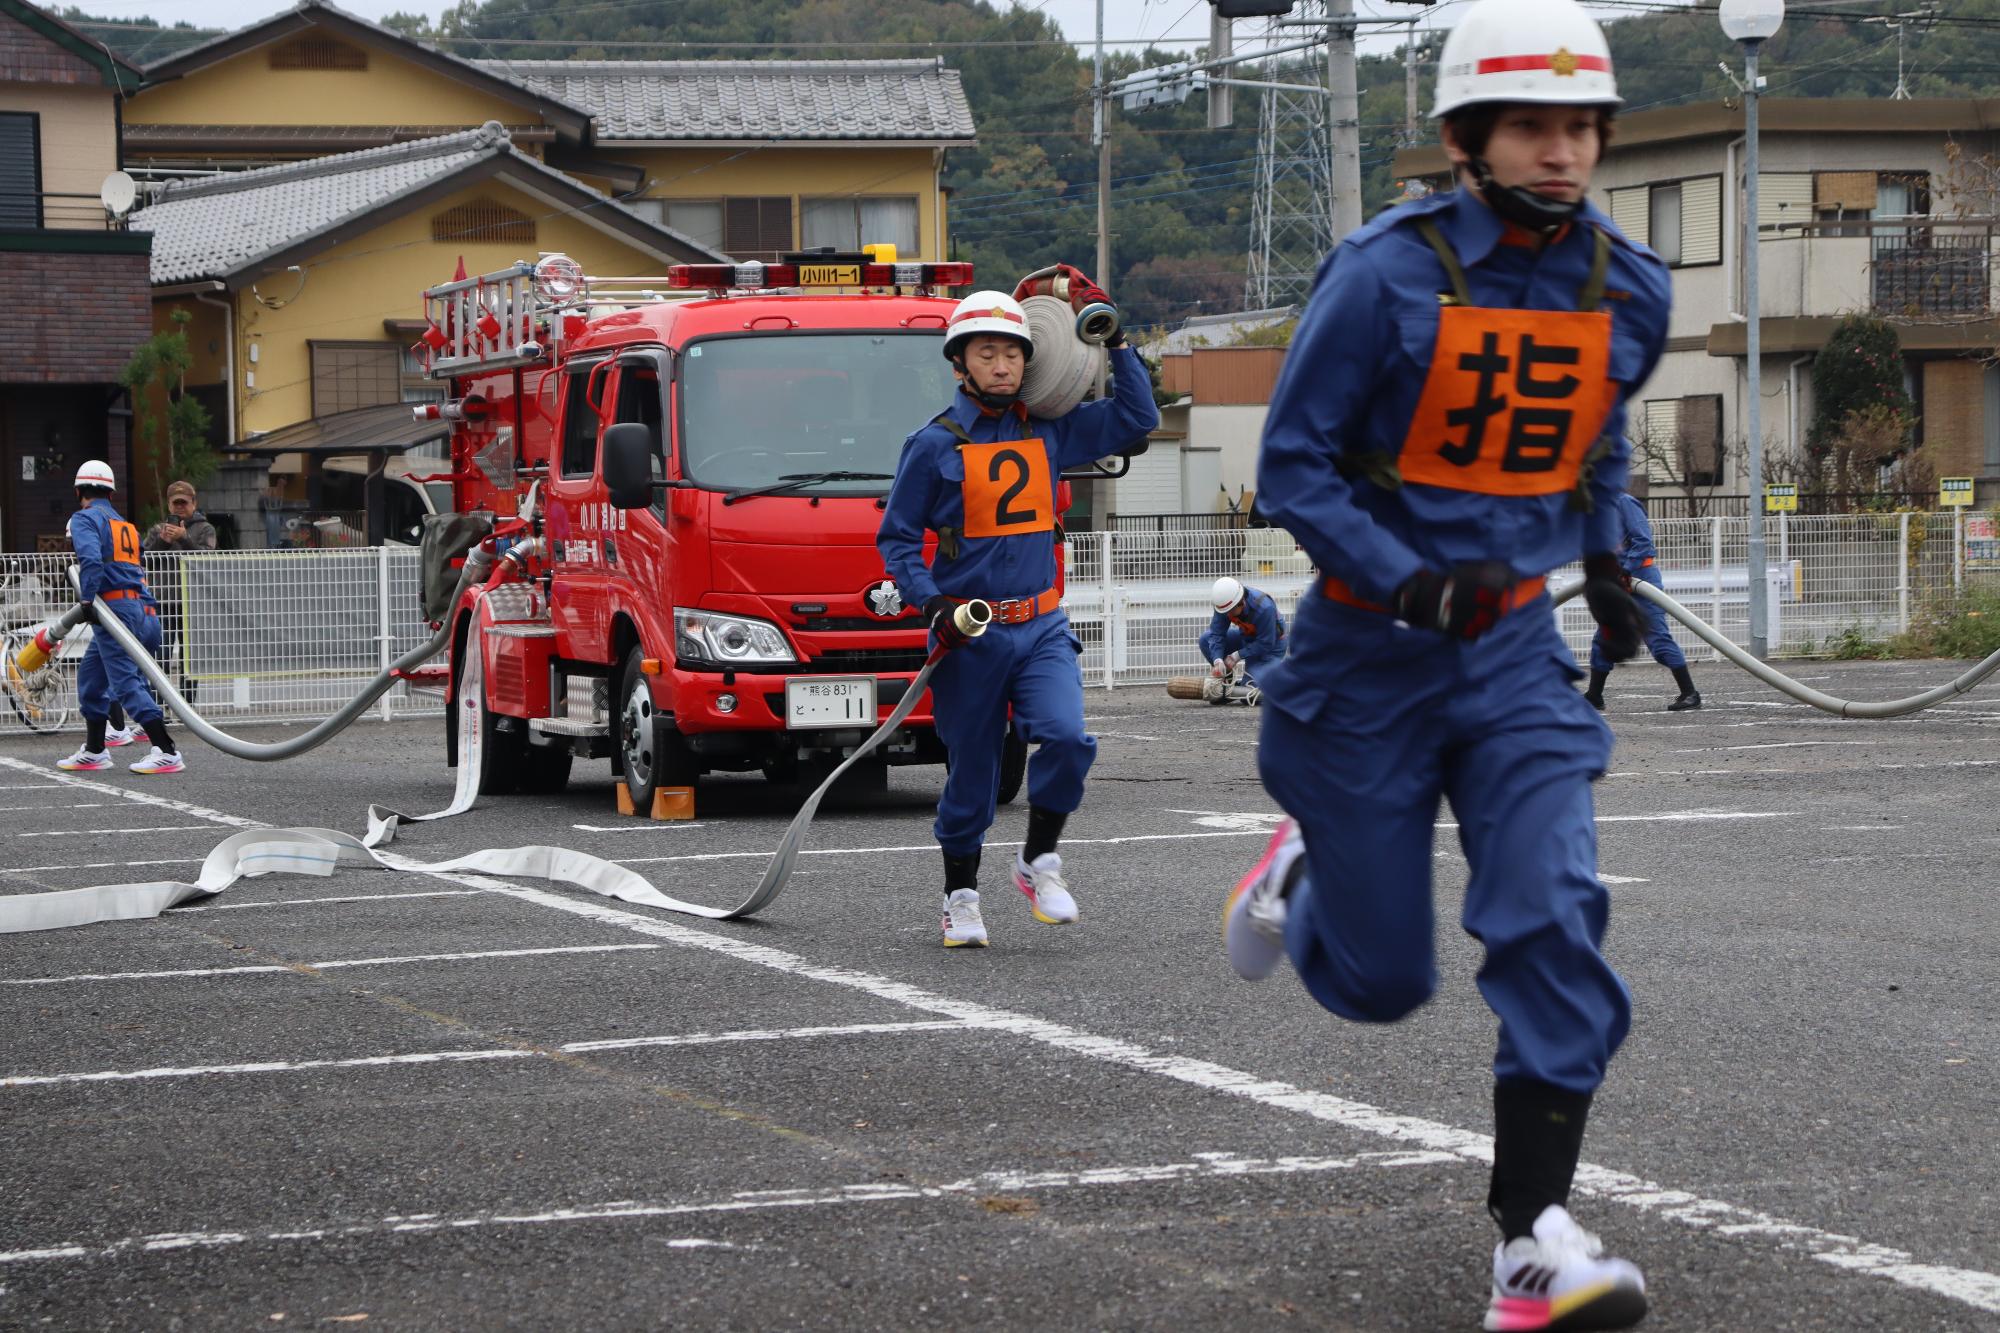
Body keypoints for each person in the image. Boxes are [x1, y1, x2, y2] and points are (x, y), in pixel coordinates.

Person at [1218, 1, 1665, 1328]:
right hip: (1370, 653)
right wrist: (1405, 575)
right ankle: (1301, 869)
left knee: (1553, 911)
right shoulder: (1381, 272)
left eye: (1582, 127)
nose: (1563, 153)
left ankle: (1531, 1239)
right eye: (1534, 126)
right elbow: (1294, 464)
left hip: (1518, 655)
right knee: (1380, 983)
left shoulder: (1626, 285)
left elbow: (1597, 450)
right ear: (1471, 137)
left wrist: (1614, 566)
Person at [878, 282, 1157, 948]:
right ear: (960, 363)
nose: (1002, 366)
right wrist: (934, 603)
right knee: (971, 775)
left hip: (1042, 626)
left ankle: (1038, 861)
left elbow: (1137, 416)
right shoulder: (932, 444)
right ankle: (960, 896)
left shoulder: (1054, 430)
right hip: (971, 637)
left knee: (1066, 737)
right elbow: (896, 539)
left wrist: (1114, 337)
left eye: (1012, 353)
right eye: (987, 354)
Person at [58, 461, 185, 775]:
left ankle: (166, 750)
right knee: (90, 681)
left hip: (115, 611)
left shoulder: (84, 518)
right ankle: (95, 749)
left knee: (126, 684)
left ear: (78, 491)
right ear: (111, 493)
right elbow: (137, 568)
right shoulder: (125, 526)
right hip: (142, 609)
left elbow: (89, 560)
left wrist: (86, 600)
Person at [1584, 491, 1700, 712]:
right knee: (1605, 636)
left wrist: (1624, 570)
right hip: (1615, 581)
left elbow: (1643, 541)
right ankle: (1594, 695)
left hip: (1640, 579)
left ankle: (1689, 693)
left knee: (1657, 637)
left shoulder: (1623, 502)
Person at [143, 478, 218, 710]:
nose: (180, 507)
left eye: (184, 503)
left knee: (190, 658)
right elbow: (146, 561)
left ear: (194, 503)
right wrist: (164, 542)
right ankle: (158, 706)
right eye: (176, 503)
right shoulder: (158, 531)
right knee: (161, 655)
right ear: (168, 505)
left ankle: (187, 706)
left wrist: (184, 539)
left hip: (191, 602)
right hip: (162, 602)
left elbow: (208, 560)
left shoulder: (205, 529)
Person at [1200, 576, 1286, 690]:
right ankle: (1226, 682)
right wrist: (1218, 660)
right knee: (1205, 640)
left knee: (1250, 689)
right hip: (1246, 637)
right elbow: (1217, 634)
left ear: (1241, 602)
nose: (1228, 614)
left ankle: (1279, 677)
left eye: (1230, 611)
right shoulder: (1224, 603)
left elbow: (1266, 643)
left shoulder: (1264, 608)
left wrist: (1237, 655)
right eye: (1225, 612)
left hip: (1270, 647)